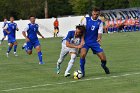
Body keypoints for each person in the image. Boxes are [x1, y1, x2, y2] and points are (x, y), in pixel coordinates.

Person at [80, 8, 110, 77]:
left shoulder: (100, 22)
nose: (95, 15)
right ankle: (82, 71)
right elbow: (81, 31)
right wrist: (82, 40)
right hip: (86, 41)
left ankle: (104, 66)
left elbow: (99, 32)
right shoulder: (86, 20)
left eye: (97, 14)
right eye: (94, 14)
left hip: (94, 42)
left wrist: (99, 39)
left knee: (103, 58)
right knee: (83, 55)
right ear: (92, 13)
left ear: (99, 14)